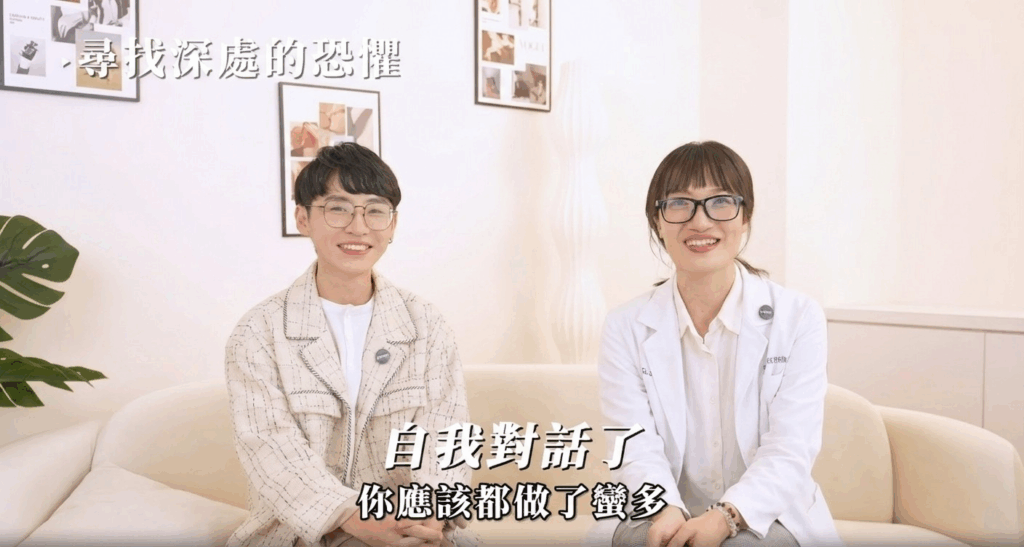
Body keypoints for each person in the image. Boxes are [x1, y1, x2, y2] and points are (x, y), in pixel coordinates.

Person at [225, 142, 475, 547]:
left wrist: (428, 514)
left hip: (414, 528)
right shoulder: (259, 331)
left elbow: (447, 433)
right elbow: (270, 448)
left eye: (375, 210)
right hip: (299, 534)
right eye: (338, 208)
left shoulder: (426, 324)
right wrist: (350, 517)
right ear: (303, 218)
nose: (358, 228)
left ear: (392, 225)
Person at [596, 141, 843, 547]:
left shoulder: (798, 317)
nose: (701, 221)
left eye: (721, 202)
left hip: (768, 512)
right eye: (679, 203)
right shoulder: (625, 326)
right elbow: (634, 445)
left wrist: (726, 516)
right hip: (662, 508)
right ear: (657, 220)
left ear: (745, 216)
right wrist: (664, 508)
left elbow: (790, 448)